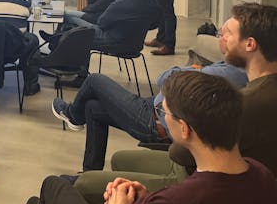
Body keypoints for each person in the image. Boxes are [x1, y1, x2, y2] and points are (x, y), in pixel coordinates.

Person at [26, 71, 277, 204]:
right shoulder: (262, 176)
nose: (161, 116)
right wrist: (147, 202)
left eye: (163, 111)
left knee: (51, 188)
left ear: (184, 129)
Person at [72, 3, 277, 204]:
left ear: (250, 44)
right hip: (190, 159)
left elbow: (180, 152)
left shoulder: (248, 102)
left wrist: (190, 79)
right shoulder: (255, 86)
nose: (221, 39)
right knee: (96, 112)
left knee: (83, 185)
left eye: (227, 34)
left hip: (191, 179)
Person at [50, 47, 246, 173]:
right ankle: (90, 173)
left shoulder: (231, 74)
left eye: (228, 32)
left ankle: (74, 116)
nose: (221, 34)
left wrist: (193, 69)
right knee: (93, 108)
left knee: (94, 80)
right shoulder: (235, 69)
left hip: (155, 120)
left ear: (249, 44)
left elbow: (164, 79)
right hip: (157, 107)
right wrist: (195, 69)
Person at [44, 0, 161, 52]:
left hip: (112, 42)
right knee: (74, 25)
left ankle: (66, 62)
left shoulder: (120, 4)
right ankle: (56, 41)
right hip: (135, 45)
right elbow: (155, 24)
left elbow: (101, 23)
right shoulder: (152, 2)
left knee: (74, 25)